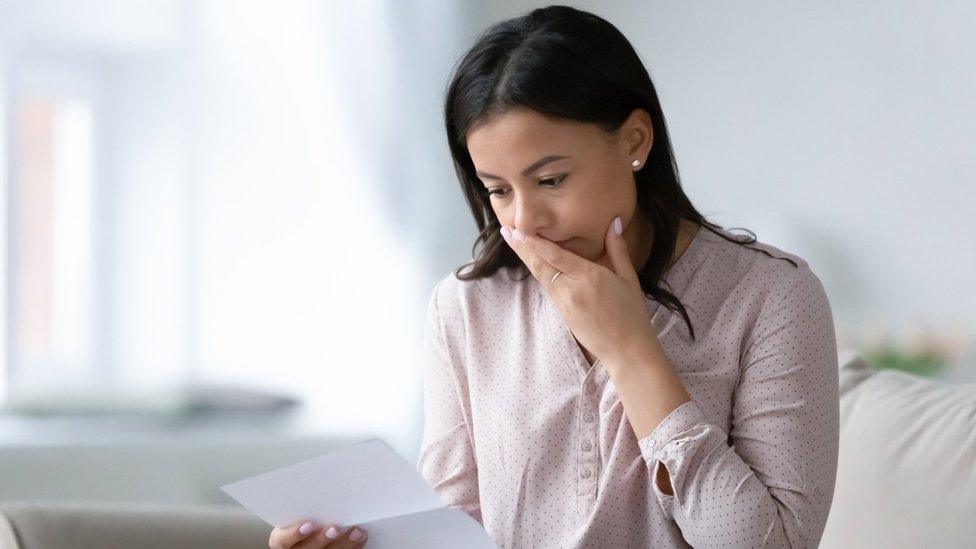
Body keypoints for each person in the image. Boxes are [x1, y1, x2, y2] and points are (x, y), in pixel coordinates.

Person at [416, 5, 839, 549]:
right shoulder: (465, 307)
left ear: (635, 141)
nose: (524, 220)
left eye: (550, 179)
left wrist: (630, 351)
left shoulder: (773, 298)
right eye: (498, 190)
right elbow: (451, 531)